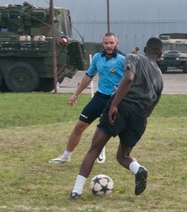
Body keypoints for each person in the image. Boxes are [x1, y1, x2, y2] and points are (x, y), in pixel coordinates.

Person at [69, 37, 164, 199]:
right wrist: (138, 117)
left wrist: (114, 104)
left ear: (145, 49)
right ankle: (138, 169)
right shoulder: (159, 77)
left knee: (95, 149)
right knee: (123, 156)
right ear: (160, 54)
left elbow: (128, 78)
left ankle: (76, 191)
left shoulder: (134, 57)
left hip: (122, 106)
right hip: (140, 116)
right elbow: (152, 105)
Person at [49, 33, 125, 164]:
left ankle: (102, 149)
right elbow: (89, 76)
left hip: (116, 99)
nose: (109, 46)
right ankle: (65, 156)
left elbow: (131, 79)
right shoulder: (97, 58)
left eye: (111, 43)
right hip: (100, 97)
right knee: (79, 126)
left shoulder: (123, 59)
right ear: (102, 44)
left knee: (108, 129)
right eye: (106, 43)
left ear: (116, 43)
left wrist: (122, 91)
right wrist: (76, 94)